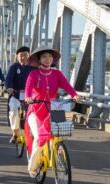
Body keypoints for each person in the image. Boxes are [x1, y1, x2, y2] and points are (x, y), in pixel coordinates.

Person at [24, 46, 81, 177]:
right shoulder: (34, 74)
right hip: (36, 108)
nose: (47, 59)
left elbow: (67, 86)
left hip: (54, 108)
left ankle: (58, 156)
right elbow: (28, 88)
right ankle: (32, 167)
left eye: (49, 56)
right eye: (44, 56)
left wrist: (75, 95)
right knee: (39, 138)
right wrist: (28, 97)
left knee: (59, 135)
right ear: (39, 60)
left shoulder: (57, 74)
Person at [5, 46, 36, 143]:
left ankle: (32, 131)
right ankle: (15, 133)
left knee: (33, 114)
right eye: (21, 55)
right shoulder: (13, 67)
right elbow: (9, 79)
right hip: (16, 95)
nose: (23, 57)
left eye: (25, 55)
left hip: (30, 96)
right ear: (17, 57)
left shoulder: (33, 68)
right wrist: (9, 87)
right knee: (13, 110)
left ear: (29, 56)